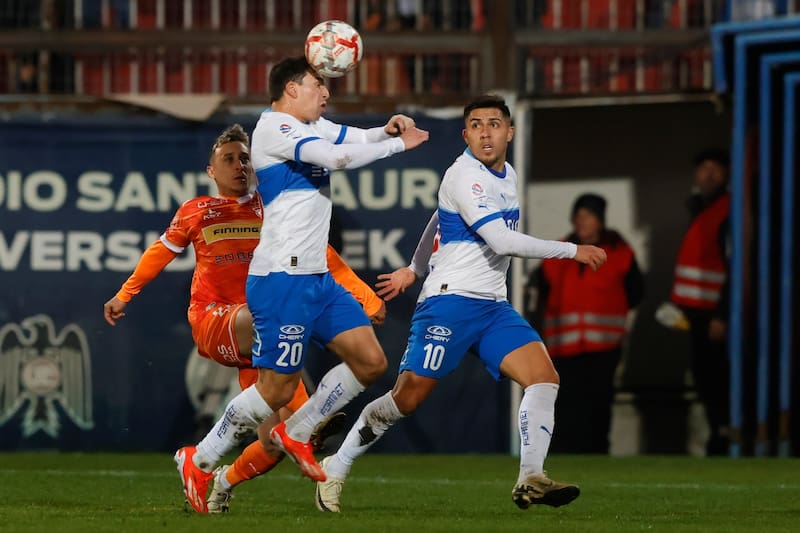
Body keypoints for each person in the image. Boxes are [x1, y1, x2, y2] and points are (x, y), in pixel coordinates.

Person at [314, 94, 607, 513]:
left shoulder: (505, 174)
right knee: (406, 399)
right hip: (449, 303)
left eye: (494, 124)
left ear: (510, 132)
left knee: (543, 377)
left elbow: (439, 217)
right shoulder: (464, 176)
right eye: (476, 125)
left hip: (492, 307)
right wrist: (571, 250)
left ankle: (530, 477)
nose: (485, 133)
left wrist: (413, 268)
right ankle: (336, 465)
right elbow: (502, 241)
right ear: (465, 134)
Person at [173, 56, 429, 513]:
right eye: (317, 85)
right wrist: (397, 146)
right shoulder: (273, 129)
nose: (326, 92)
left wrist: (385, 130)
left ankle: (298, 430)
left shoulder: (311, 125)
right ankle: (202, 457)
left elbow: (350, 138)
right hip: (282, 280)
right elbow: (336, 157)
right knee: (275, 389)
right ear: (291, 89)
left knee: (370, 362)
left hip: (317, 279)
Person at [103, 123, 386, 513]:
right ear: (211, 170)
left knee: (276, 440)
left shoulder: (271, 208)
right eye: (229, 159)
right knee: (280, 317)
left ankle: (222, 481)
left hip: (262, 328)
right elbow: (161, 251)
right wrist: (125, 293)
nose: (239, 165)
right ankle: (238, 444)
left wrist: (364, 297)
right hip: (217, 320)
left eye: (245, 159)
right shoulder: (197, 210)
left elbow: (321, 257)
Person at [526, 193, 644, 454]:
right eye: (578, 215)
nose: (581, 221)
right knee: (566, 410)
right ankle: (565, 457)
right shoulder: (558, 252)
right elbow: (541, 295)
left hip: (604, 349)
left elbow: (636, 292)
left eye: (588, 215)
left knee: (598, 408)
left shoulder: (619, 253)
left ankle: (597, 456)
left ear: (600, 220)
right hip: (562, 349)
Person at [668, 149, 730, 456]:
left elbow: (735, 267)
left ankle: (724, 439)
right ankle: (719, 436)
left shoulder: (728, 211)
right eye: (703, 168)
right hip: (698, 314)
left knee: (718, 380)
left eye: (715, 168)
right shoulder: (702, 209)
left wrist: (723, 315)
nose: (709, 174)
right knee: (706, 379)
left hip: (715, 315)